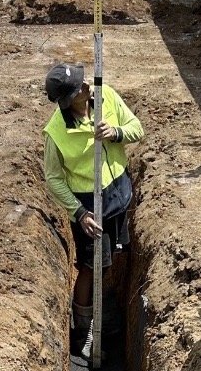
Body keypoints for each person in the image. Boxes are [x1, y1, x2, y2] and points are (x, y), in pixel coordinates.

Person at [42, 61, 144, 356]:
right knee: (89, 267)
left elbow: (137, 128)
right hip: (88, 206)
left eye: (85, 82)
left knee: (113, 258)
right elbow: (53, 178)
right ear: (66, 100)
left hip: (118, 192)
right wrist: (79, 213)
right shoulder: (56, 132)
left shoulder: (106, 96)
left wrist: (116, 132)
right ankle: (83, 331)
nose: (87, 88)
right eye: (79, 89)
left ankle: (106, 312)